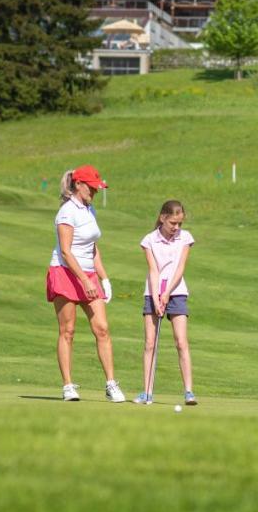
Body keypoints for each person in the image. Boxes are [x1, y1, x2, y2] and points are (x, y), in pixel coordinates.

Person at [47, 165, 127, 403]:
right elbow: (66, 251)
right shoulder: (66, 212)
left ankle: (111, 384)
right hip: (65, 272)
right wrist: (84, 280)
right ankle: (68, 386)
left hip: (89, 275)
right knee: (68, 331)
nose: (95, 191)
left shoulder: (90, 210)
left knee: (102, 328)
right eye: (92, 187)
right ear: (78, 185)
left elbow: (92, 248)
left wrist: (104, 278)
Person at [135, 200, 196, 406]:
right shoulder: (149, 240)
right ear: (162, 218)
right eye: (172, 223)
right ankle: (147, 392)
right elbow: (153, 270)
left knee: (181, 341)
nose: (176, 228)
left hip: (177, 291)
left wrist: (167, 292)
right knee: (150, 343)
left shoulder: (185, 238)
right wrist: (155, 297)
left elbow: (180, 269)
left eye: (179, 223)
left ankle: (188, 391)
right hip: (152, 292)